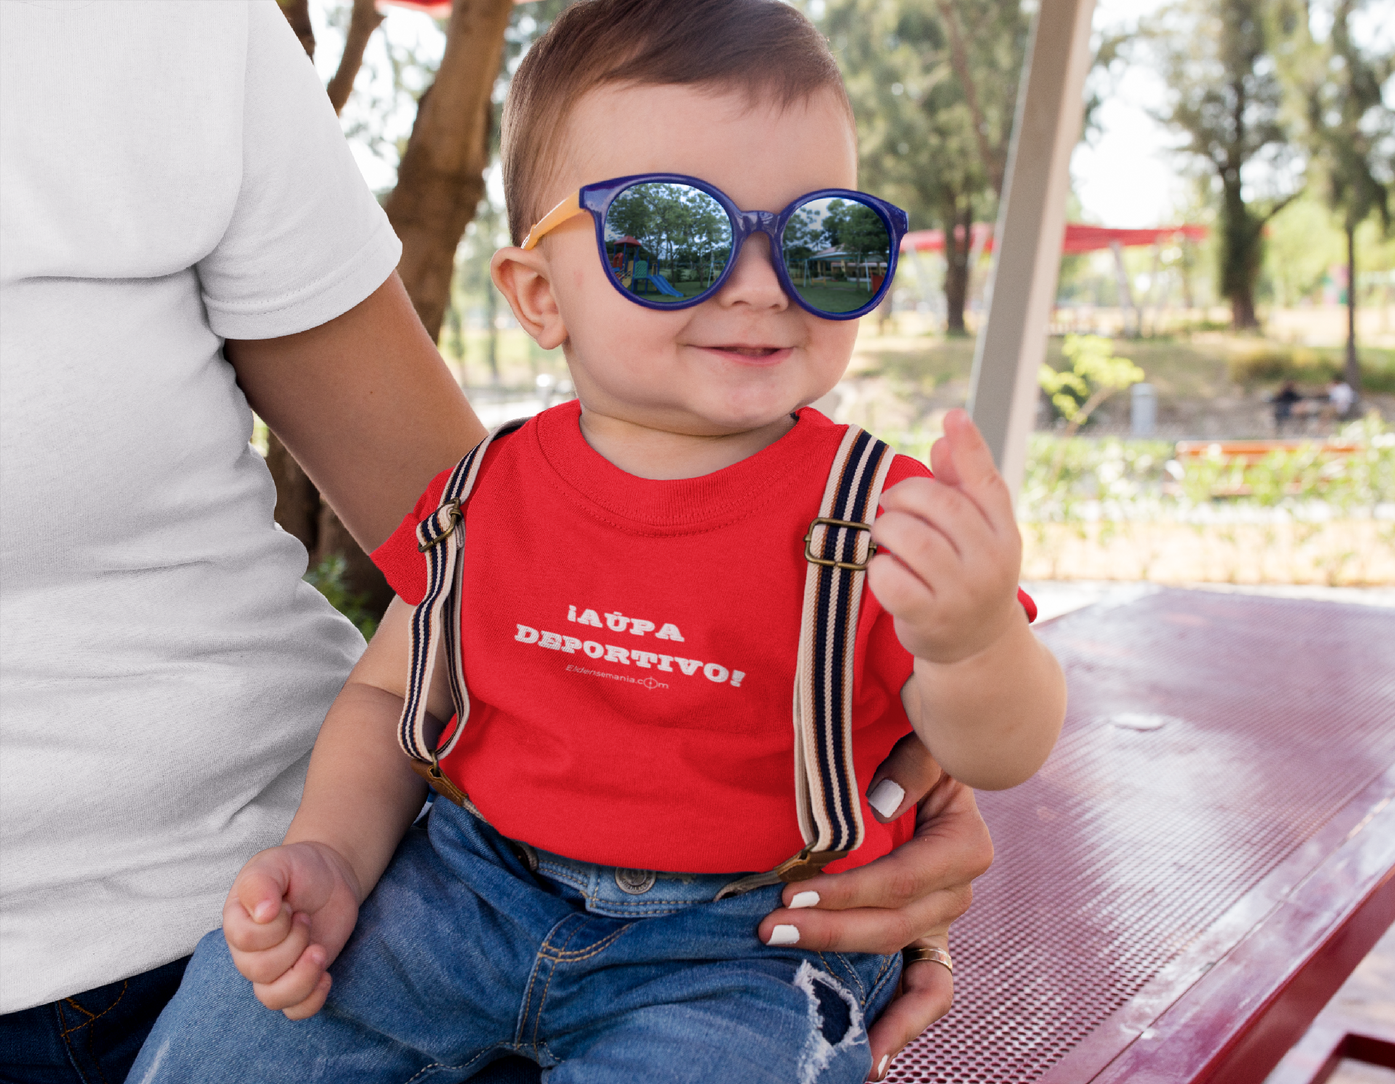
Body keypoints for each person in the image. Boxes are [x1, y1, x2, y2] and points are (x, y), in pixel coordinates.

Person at [0, 2, 1000, 1081]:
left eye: (823, 241)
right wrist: (331, 849)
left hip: (735, 946)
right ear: (535, 293)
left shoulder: (878, 508)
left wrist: (971, 646)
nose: (757, 281)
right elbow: (394, 688)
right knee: (233, 1039)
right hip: (463, 898)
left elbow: (991, 749)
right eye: (672, 237)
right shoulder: (489, 495)